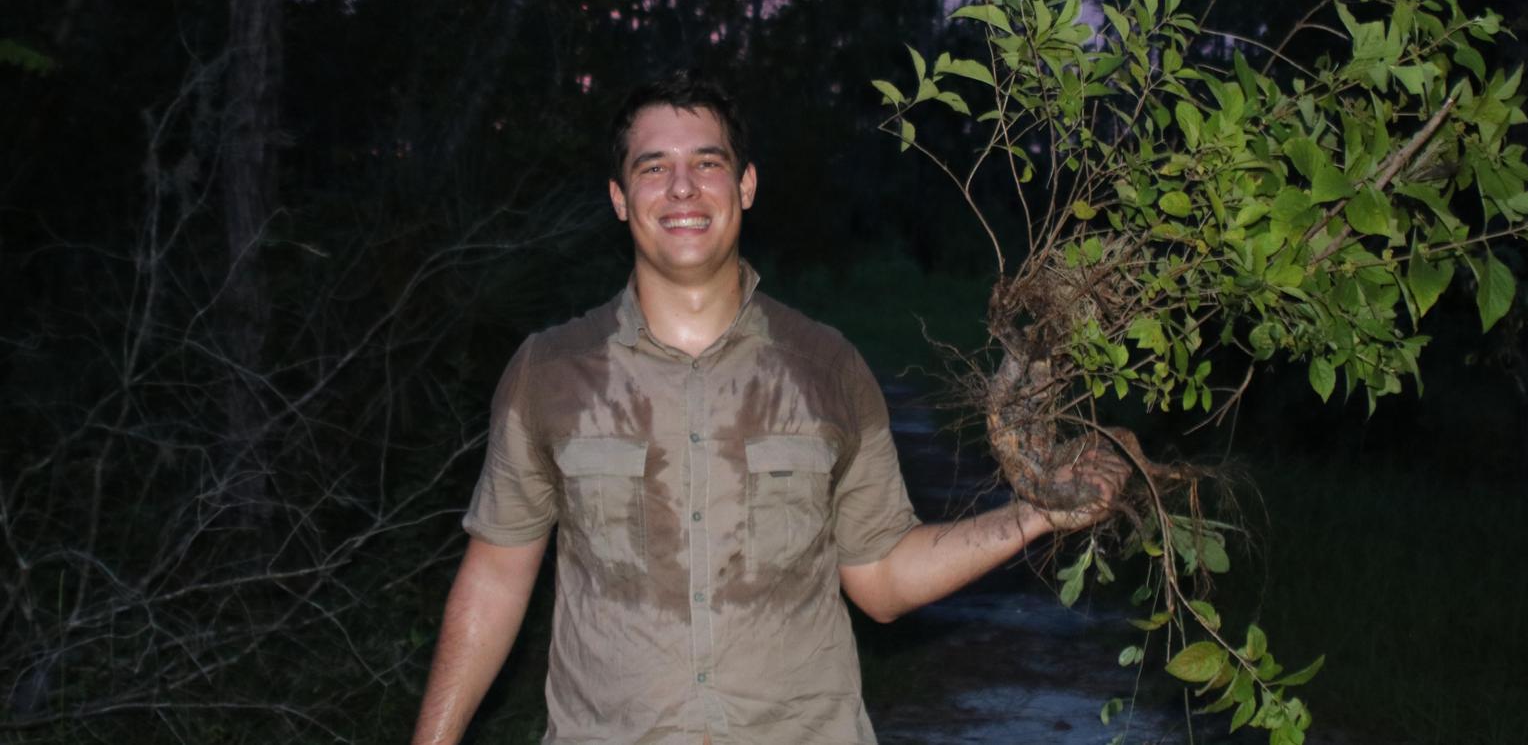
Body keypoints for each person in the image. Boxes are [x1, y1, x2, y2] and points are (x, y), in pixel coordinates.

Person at [411, 74, 1130, 745]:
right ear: (619, 198)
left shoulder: (827, 368)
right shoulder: (549, 370)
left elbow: (880, 579)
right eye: (653, 167)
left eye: (708, 163)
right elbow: (497, 576)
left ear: (746, 185)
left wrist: (1037, 512)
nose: (683, 188)